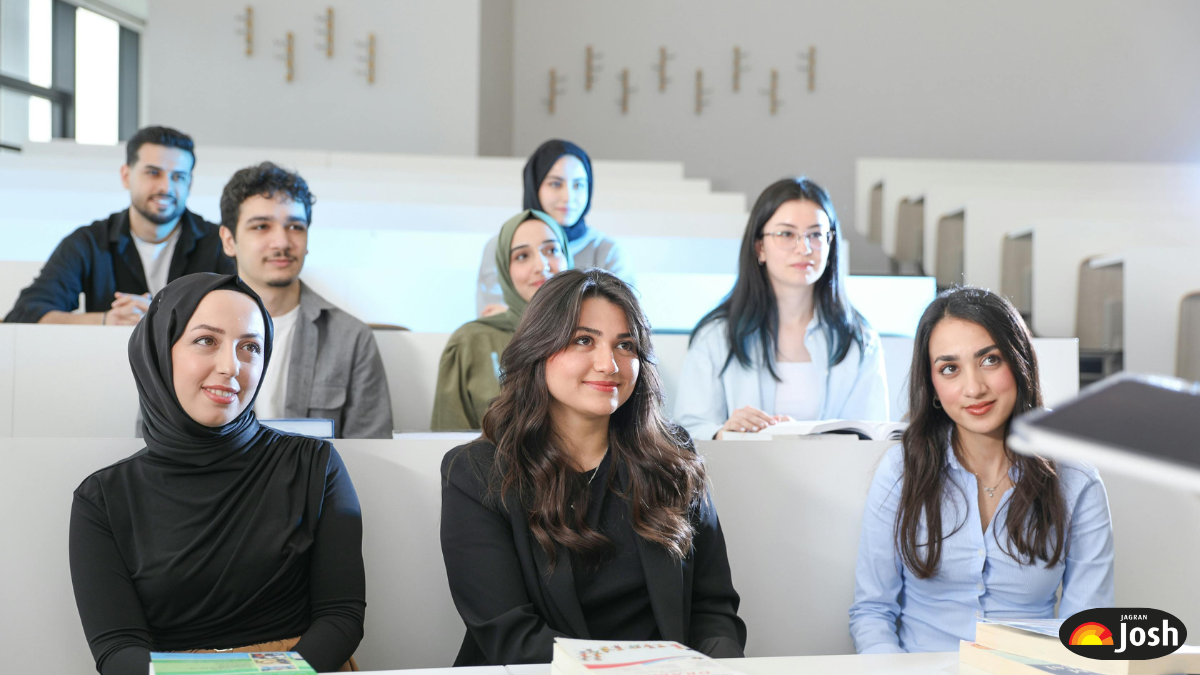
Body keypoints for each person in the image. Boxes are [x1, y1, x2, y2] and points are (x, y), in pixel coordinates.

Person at [441, 269, 746, 666]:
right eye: (583, 340)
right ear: (539, 348)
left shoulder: (672, 459)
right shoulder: (476, 473)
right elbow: (510, 635)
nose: (609, 364)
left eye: (625, 345)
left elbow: (713, 609)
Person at [69, 273, 365, 675]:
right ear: (159, 350)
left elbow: (341, 616)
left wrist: (271, 673)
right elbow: (117, 649)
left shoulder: (313, 463)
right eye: (206, 341)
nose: (231, 366)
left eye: (251, 347)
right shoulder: (102, 497)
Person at [849, 287, 1114, 653]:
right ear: (933, 386)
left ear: (1019, 362)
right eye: (950, 369)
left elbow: (1088, 628)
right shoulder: (902, 470)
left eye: (990, 360)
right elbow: (872, 612)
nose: (973, 387)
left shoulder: (1076, 478)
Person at [673, 177, 888, 440]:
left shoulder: (860, 341)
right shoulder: (715, 336)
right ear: (759, 247)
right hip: (737, 478)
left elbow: (873, 439)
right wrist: (722, 433)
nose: (804, 248)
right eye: (787, 234)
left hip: (834, 479)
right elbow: (687, 433)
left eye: (816, 234)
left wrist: (800, 438)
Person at [218, 162, 393, 438]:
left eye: (295, 227)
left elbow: (370, 453)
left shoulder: (351, 339)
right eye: (262, 226)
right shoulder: (189, 331)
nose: (282, 242)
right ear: (229, 240)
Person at [5, 126, 233, 324]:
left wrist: (167, 319)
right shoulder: (89, 242)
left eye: (178, 177)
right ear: (126, 176)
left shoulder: (219, 243)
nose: (166, 187)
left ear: (189, 183)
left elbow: (246, 313)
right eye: (153, 173)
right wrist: (106, 320)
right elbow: (24, 314)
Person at [432, 209, 572, 430]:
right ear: (505, 271)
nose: (541, 266)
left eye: (552, 250)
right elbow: (447, 443)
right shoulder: (471, 342)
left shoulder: (594, 336)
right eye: (522, 256)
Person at [475, 139, 633, 317]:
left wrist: (519, 315)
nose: (568, 197)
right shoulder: (501, 247)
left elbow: (621, 320)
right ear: (534, 187)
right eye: (556, 184)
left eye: (579, 185)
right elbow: (494, 317)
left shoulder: (607, 250)